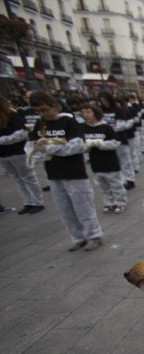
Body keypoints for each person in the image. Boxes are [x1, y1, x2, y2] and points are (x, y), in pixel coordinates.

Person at [26, 91, 103, 251]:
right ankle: (78, 237)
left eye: (45, 110)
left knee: (83, 206)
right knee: (65, 209)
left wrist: (50, 148)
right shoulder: (41, 125)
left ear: (55, 106)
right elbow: (32, 146)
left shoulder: (68, 121)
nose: (43, 114)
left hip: (74, 172)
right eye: (39, 111)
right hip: (53, 173)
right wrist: (39, 153)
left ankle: (93, 235)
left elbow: (77, 146)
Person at [0, 95, 44, 215]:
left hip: (18, 151)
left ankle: (38, 202)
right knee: (17, 178)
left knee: (28, 177)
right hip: (3, 154)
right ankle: (28, 202)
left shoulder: (12, 115)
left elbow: (22, 133)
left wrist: (2, 140)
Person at [79, 102, 127, 214]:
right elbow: (81, 145)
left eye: (88, 112)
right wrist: (87, 146)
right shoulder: (83, 128)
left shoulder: (106, 127)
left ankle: (120, 202)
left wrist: (100, 144)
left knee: (116, 184)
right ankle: (109, 202)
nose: (86, 115)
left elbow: (116, 142)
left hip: (110, 161)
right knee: (103, 185)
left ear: (95, 113)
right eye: (83, 113)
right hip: (96, 162)